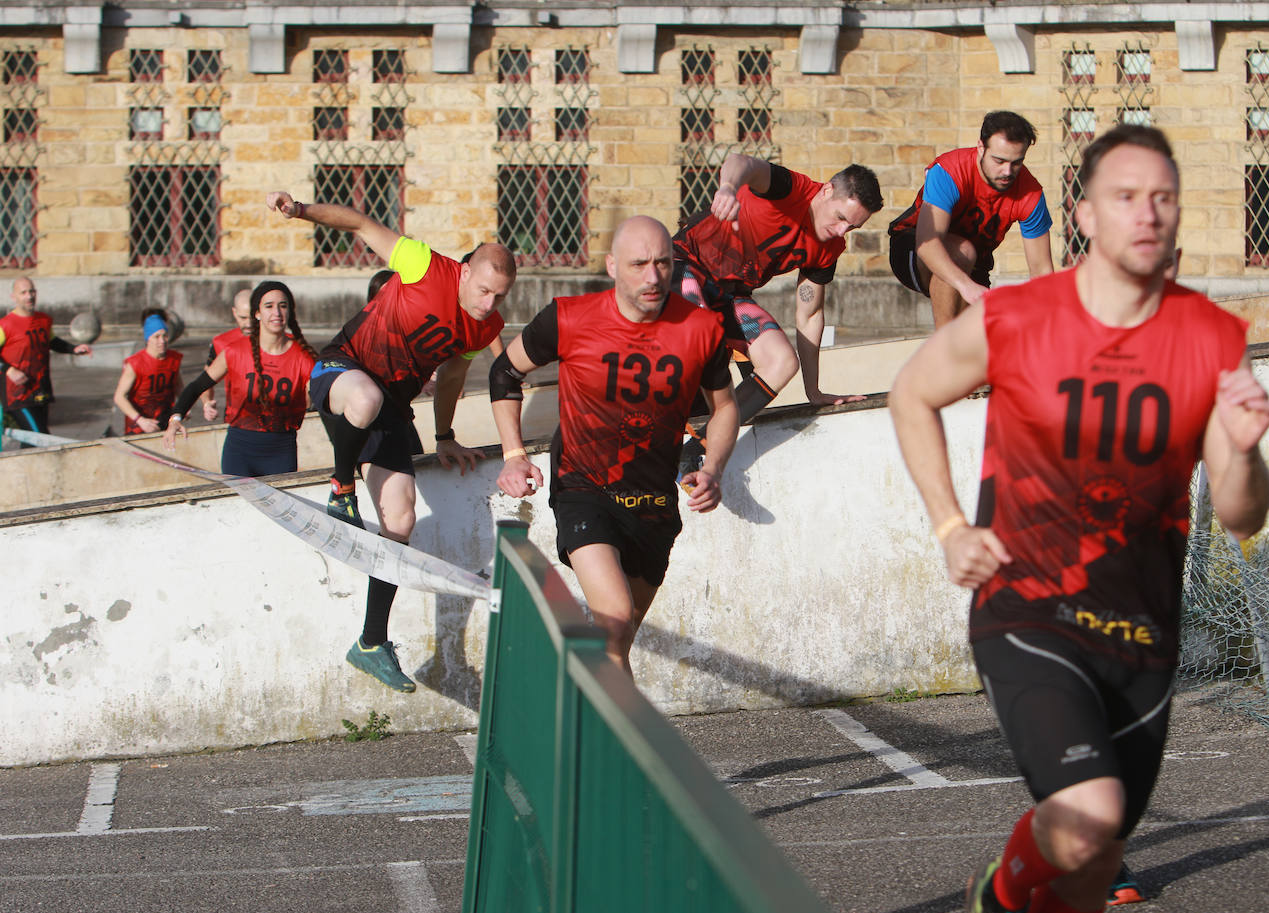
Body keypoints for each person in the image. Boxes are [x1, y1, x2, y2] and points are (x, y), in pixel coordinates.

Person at [888, 125, 1269, 913]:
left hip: (1142, 632)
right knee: (1088, 817)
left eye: (1162, 198)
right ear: (1084, 215)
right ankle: (998, 895)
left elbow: (1243, 514)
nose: (1147, 214)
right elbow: (912, 392)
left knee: (1096, 866)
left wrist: (1243, 450)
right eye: (1125, 197)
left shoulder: (1208, 339)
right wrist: (950, 525)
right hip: (1030, 610)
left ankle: (1010, 903)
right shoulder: (1021, 317)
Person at [266, 189, 516, 693]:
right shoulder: (423, 264)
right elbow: (359, 223)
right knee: (365, 399)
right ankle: (340, 489)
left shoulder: (484, 324)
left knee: (399, 521)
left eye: (499, 296)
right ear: (465, 271)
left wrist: (444, 435)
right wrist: (300, 211)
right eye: (483, 289)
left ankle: (371, 641)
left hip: (390, 409)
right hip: (343, 370)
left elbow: (449, 380)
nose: (487, 304)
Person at [492, 216, 738, 679]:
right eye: (639, 264)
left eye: (663, 264)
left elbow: (724, 408)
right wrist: (513, 454)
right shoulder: (568, 317)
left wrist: (713, 468)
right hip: (583, 487)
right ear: (611, 266)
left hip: (654, 501)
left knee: (616, 641)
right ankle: (625, 748)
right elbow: (504, 372)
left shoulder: (701, 329)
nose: (653, 277)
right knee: (614, 618)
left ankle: (574, 724)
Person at [672, 155, 881, 475]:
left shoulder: (829, 249)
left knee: (783, 362)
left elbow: (810, 314)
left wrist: (814, 391)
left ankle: (700, 443)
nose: (842, 231)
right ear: (826, 191)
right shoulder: (791, 190)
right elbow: (743, 163)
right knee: (702, 334)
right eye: (841, 218)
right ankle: (672, 419)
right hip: (686, 264)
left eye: (853, 227)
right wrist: (728, 188)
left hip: (729, 295)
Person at [888, 111, 1054, 328]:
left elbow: (1042, 271)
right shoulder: (950, 171)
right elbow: (928, 244)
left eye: (1016, 163)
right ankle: (945, 344)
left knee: (984, 336)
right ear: (981, 147)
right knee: (962, 251)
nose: (1007, 172)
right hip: (913, 250)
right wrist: (966, 286)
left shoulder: (1030, 194)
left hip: (973, 265)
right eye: (999, 161)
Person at [162, 281, 318, 476]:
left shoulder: (304, 357)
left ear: (290, 312)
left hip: (280, 451)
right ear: (257, 313)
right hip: (239, 450)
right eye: (269, 306)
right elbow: (197, 386)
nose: (276, 313)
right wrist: (175, 418)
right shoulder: (234, 351)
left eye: (283, 306)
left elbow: (325, 401)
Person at [0, 277, 93, 434]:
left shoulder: (43, 320)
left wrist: (74, 349)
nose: (29, 296)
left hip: (41, 389)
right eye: (23, 293)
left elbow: (52, 341)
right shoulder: (5, 325)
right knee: (40, 437)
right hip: (17, 394)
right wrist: (9, 370)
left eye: (32, 291)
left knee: (32, 442)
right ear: (13, 297)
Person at [114, 310, 183, 434]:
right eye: (157, 336)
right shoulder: (135, 363)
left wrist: (184, 407)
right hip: (139, 425)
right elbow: (119, 397)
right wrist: (140, 420)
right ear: (148, 339)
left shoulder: (174, 359)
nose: (162, 341)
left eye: (165, 335)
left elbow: (178, 386)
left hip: (165, 421)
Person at [199, 288, 254, 422]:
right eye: (243, 318)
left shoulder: (277, 340)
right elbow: (204, 381)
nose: (249, 323)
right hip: (236, 418)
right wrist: (207, 403)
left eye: (252, 317)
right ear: (234, 312)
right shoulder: (222, 343)